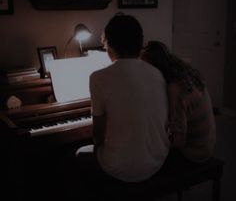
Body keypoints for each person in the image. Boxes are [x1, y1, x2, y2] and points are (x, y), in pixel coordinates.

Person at [89, 13, 170, 183]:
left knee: (74, 157)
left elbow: (97, 134)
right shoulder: (157, 73)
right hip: (157, 160)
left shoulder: (98, 78)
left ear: (109, 44)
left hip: (119, 167)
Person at [140, 40, 216, 163]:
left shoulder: (175, 88)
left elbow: (178, 142)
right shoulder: (185, 73)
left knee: (147, 152)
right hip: (207, 144)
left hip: (194, 152)